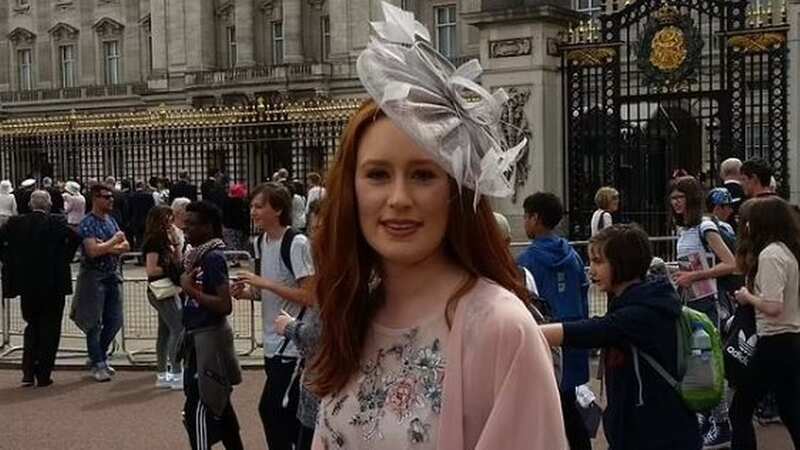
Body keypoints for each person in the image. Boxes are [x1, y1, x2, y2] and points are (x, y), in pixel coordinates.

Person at [311, 6, 565, 448]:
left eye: (423, 175)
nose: (398, 198)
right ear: (351, 190)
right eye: (377, 175)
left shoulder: (502, 328)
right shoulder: (353, 310)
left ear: (455, 191)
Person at [540, 224, 702, 450]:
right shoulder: (635, 300)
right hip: (640, 433)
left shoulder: (643, 312)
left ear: (623, 263)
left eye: (598, 262)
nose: (591, 270)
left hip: (659, 436)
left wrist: (529, 332)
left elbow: (595, 330)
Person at [231, 182, 315, 450]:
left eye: (259, 206)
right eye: (251, 206)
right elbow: (267, 289)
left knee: (270, 409)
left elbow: (309, 296)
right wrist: (247, 293)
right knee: (289, 415)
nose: (253, 212)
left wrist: (263, 283)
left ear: (277, 209)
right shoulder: (259, 242)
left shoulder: (297, 243)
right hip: (270, 342)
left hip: (292, 343)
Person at [517, 192, 591, 450]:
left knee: (552, 412)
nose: (524, 222)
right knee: (568, 405)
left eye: (526, 216)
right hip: (574, 335)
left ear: (536, 218)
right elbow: (584, 295)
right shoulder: (573, 255)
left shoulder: (526, 261)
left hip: (545, 341)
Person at [669, 175, 736, 447]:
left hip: (708, 303)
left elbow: (729, 263)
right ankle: (707, 417)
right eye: (672, 198)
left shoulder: (705, 227)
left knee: (708, 363)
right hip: (692, 302)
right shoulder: (685, 228)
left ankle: (721, 423)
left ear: (691, 199)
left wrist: (693, 277)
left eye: (680, 198)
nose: (675, 203)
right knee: (697, 362)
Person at [730, 196, 800, 449]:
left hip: (775, 340)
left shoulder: (771, 256)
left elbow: (773, 306)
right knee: (791, 410)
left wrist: (748, 297)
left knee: (740, 409)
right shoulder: (786, 251)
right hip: (787, 340)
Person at [179, 201, 244, 450]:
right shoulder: (198, 255)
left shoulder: (213, 258)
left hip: (208, 339)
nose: (187, 230)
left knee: (199, 406)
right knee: (220, 405)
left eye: (192, 225)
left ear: (208, 227)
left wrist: (190, 290)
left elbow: (223, 304)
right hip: (198, 336)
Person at [0, 190, 81, 387]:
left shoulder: (15, 223)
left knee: (32, 326)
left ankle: (28, 371)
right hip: (53, 283)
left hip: (27, 283)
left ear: (29, 204)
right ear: (49, 205)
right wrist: (64, 259)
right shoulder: (57, 223)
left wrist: (10, 261)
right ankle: (43, 373)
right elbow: (75, 239)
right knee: (50, 329)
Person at [274, 198, 324, 450]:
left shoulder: (339, 273)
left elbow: (319, 335)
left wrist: (289, 326)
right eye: (313, 230)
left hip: (324, 382)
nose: (315, 238)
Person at [70, 183, 130, 382]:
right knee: (94, 322)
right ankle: (98, 362)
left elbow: (126, 246)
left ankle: (98, 355)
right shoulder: (87, 223)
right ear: (95, 198)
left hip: (112, 274)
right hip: (93, 277)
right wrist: (113, 242)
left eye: (111, 196)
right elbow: (92, 251)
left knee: (115, 320)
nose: (111, 200)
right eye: (106, 196)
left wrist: (107, 246)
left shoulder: (111, 219)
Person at [142, 206, 184, 390]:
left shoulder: (166, 238)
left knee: (165, 331)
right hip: (161, 288)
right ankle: (176, 372)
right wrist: (170, 267)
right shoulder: (154, 240)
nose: (171, 221)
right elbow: (151, 269)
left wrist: (176, 246)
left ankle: (162, 373)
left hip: (165, 288)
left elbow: (178, 259)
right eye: (168, 218)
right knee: (178, 328)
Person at [129, 181, 156, 251]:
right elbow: (153, 209)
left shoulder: (131, 196)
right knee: (147, 238)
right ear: (142, 186)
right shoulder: (149, 196)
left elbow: (129, 209)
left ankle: (139, 254)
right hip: (147, 220)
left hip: (136, 221)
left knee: (138, 239)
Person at [222, 183, 250, 252]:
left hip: (229, 228)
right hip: (240, 229)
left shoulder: (226, 202)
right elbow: (245, 218)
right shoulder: (243, 204)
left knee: (232, 250)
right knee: (242, 250)